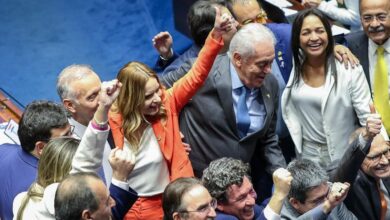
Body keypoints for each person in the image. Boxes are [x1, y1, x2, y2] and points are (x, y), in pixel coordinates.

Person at [108, 8, 231, 220]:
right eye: (148, 96)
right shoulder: (112, 118)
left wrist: (216, 35)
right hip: (137, 209)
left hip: (178, 199)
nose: (157, 98)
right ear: (131, 99)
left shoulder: (167, 102)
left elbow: (197, 73)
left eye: (157, 90)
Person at [13, 79, 138, 220]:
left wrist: (103, 108)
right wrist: (120, 179)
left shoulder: (22, 200)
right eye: (107, 202)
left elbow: (84, 163)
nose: (112, 202)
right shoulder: (55, 200)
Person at [281, 8, 371, 171]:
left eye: (319, 31)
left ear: (328, 33)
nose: (313, 37)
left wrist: (379, 147)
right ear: (297, 38)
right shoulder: (294, 62)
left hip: (344, 156)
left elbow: (367, 115)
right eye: (306, 32)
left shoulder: (347, 66)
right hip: (307, 159)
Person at [0, 100, 71, 220]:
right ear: (41, 147)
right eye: (66, 137)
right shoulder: (48, 187)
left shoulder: (3, 150)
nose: (72, 139)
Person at [57, 64, 113, 185]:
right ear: (70, 105)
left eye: (101, 91)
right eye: (92, 97)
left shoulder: (112, 113)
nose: (103, 100)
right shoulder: (66, 147)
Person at [153, 0, 238, 76]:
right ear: (213, 32)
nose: (237, 24)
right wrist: (166, 57)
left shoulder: (236, 46)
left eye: (233, 19)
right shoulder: (184, 70)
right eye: (230, 21)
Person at [345, 0, 390, 136]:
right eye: (367, 18)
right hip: (370, 137)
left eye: (381, 17)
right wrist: (337, 48)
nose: (374, 24)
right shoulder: (350, 45)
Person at [202, 157, 292, 219]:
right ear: (220, 204)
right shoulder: (218, 218)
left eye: (251, 191)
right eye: (241, 198)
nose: (252, 201)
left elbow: (264, 211)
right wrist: (278, 195)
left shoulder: (246, 208)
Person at [281, 159, 356, 219]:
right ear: (295, 203)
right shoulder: (279, 216)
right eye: (318, 200)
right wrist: (327, 205)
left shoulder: (330, 193)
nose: (327, 201)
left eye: (327, 194)